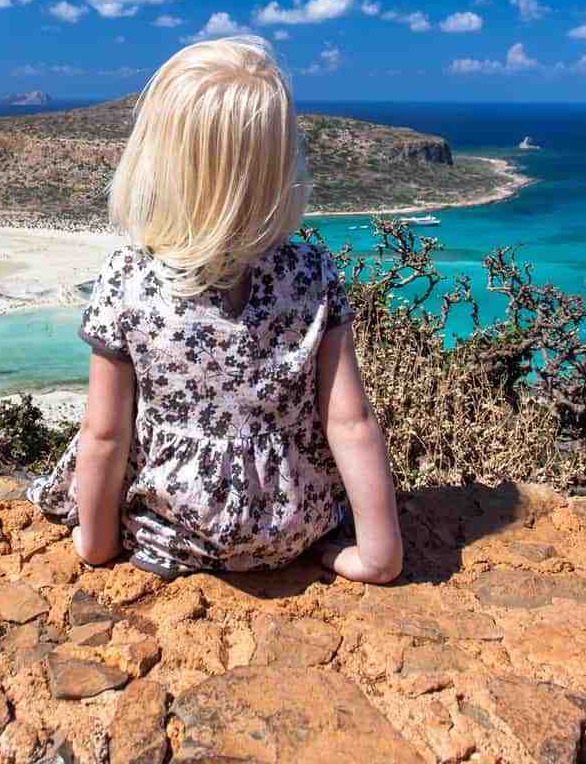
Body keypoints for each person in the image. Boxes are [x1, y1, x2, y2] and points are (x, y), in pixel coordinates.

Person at [27, 36, 404, 583]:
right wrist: (379, 554)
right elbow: (350, 422)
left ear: (155, 162)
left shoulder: (126, 278)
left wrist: (97, 541)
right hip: (291, 527)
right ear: (281, 165)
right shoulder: (312, 271)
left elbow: (104, 434)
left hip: (172, 529)